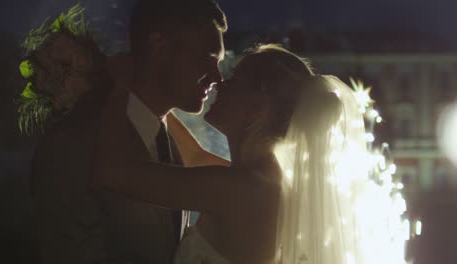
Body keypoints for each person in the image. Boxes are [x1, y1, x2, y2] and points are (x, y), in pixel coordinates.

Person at [95, 44, 367, 264]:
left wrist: (118, 88)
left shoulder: (237, 189)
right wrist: (154, 97)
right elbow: (194, 157)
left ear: (259, 107)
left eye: (235, 79)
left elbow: (111, 172)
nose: (220, 83)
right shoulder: (263, 182)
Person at [31, 0, 228, 263]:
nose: (218, 77)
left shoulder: (166, 137)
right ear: (159, 47)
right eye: (209, 58)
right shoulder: (74, 143)